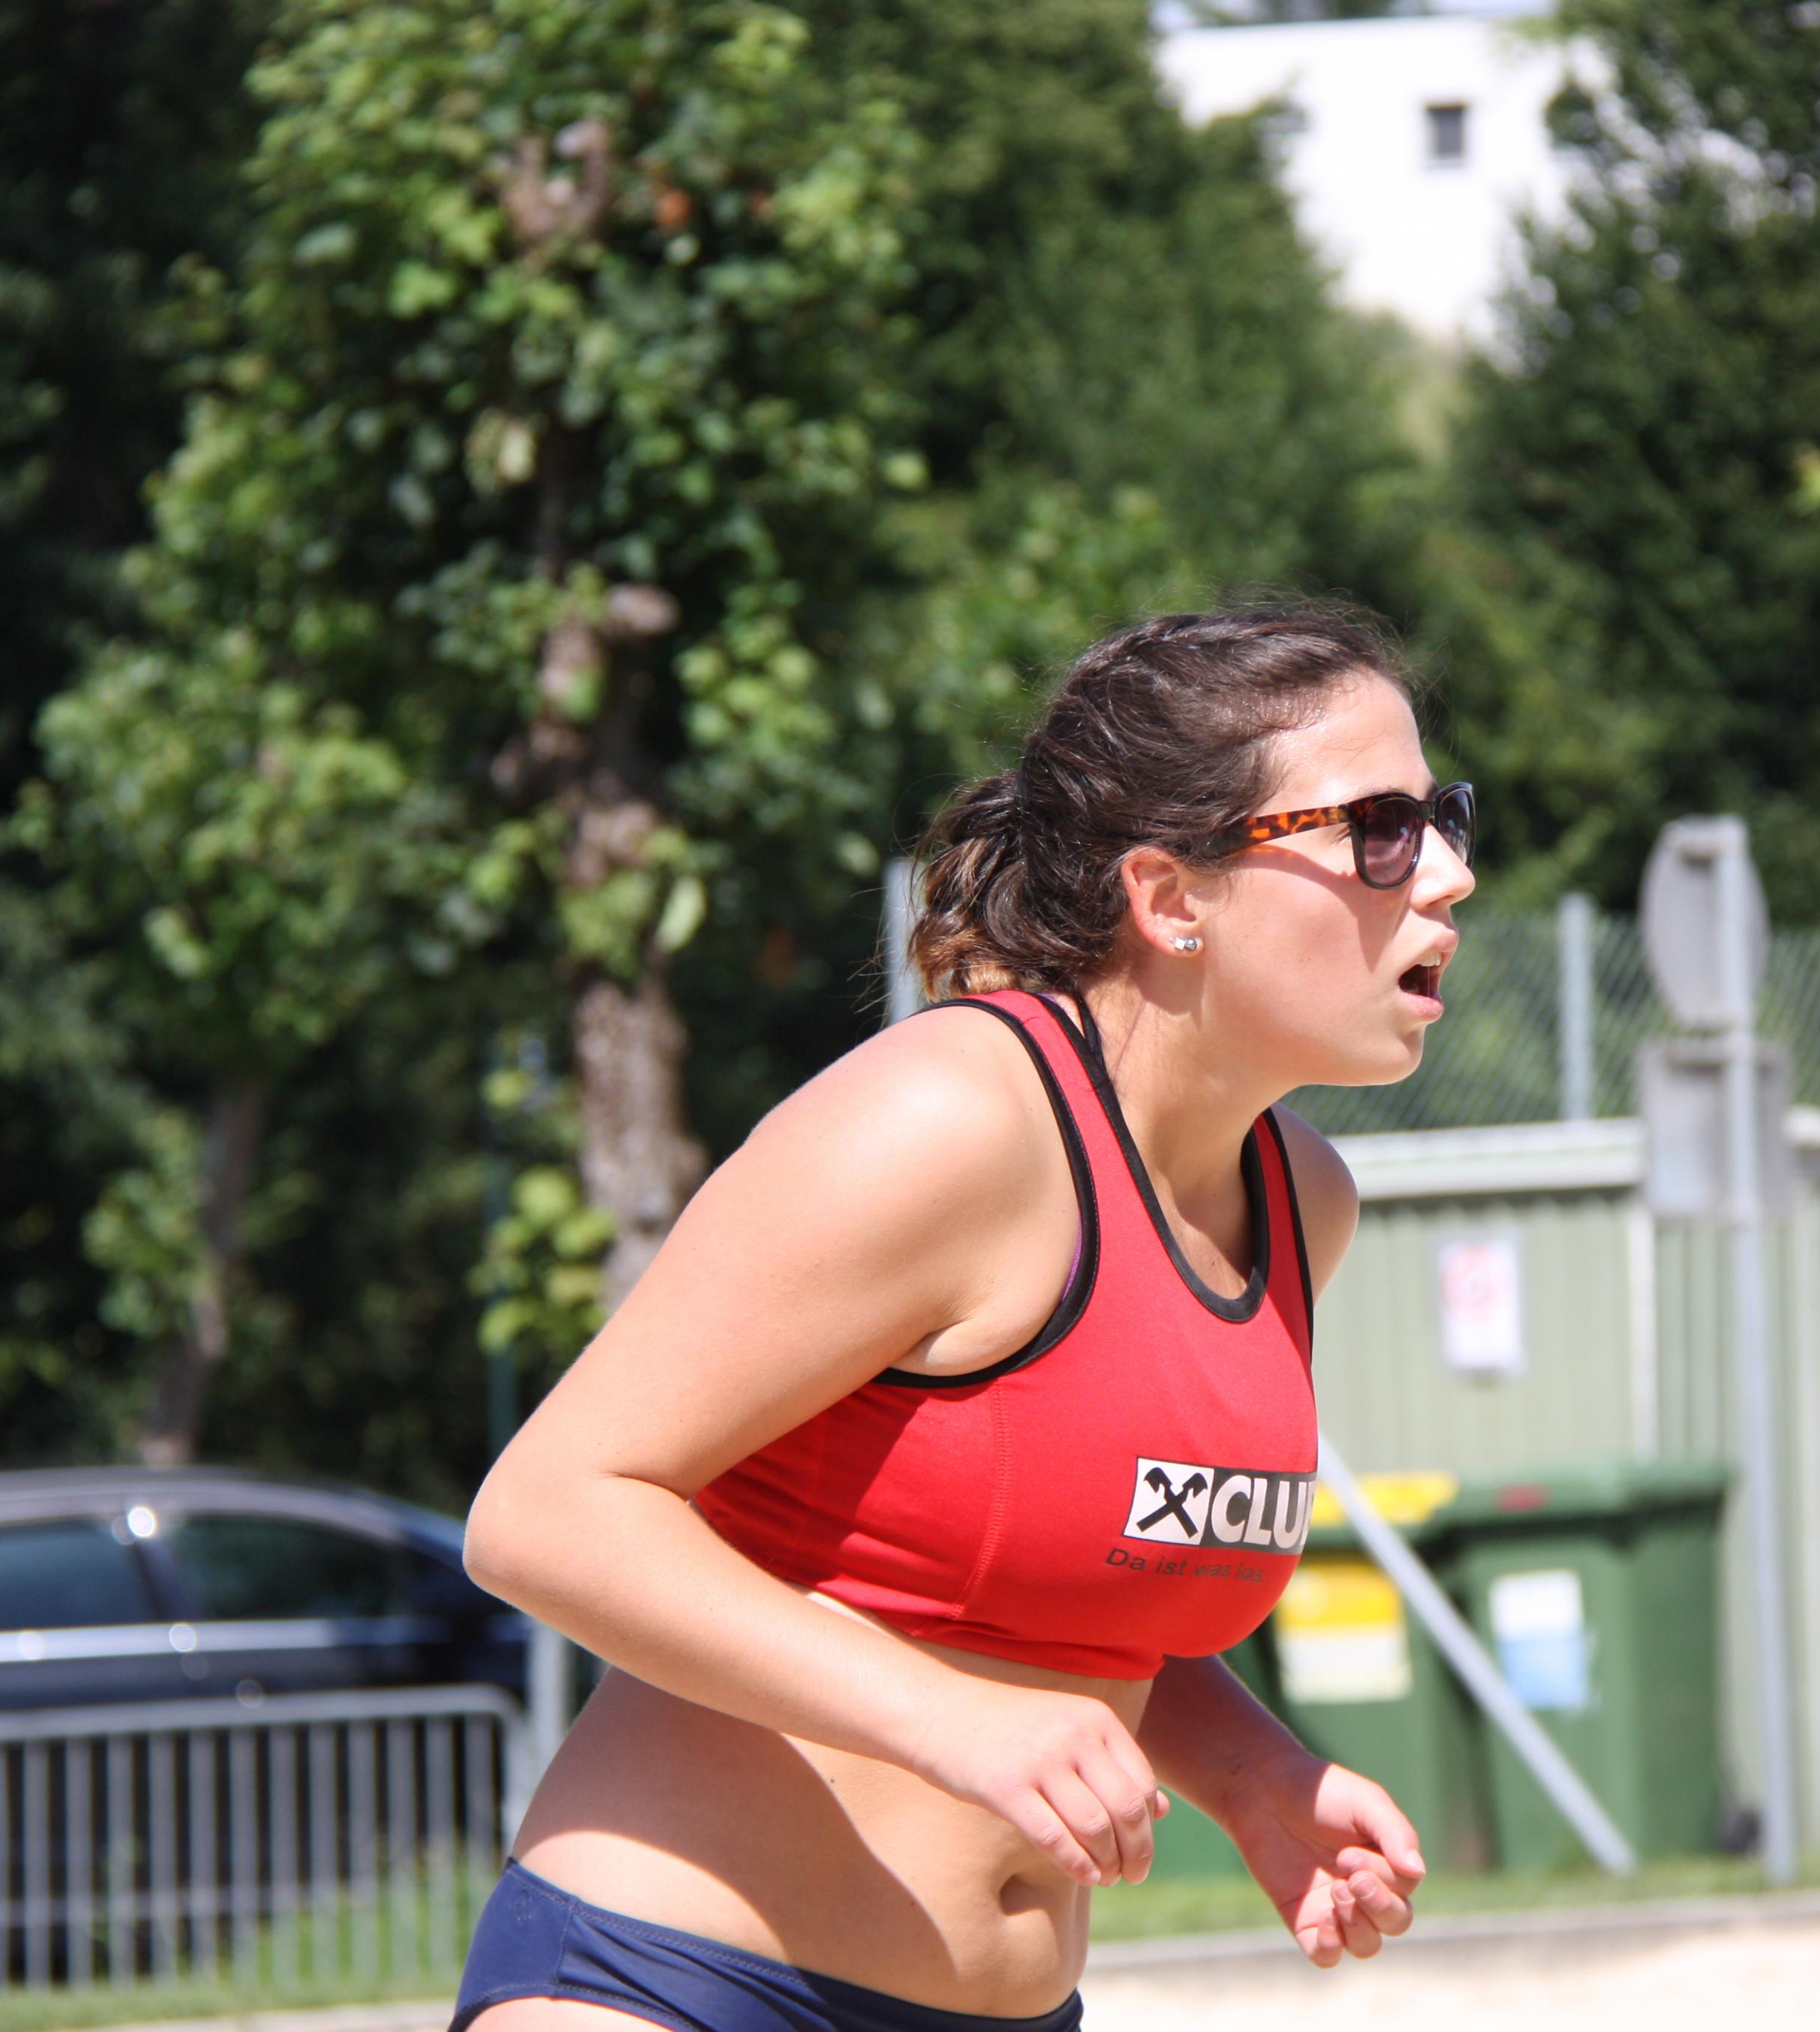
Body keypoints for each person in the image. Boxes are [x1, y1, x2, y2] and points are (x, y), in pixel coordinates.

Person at [458, 610, 1475, 2032]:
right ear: (1169, 897)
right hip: (673, 1976)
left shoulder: (1303, 1202)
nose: (1448, 873)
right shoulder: (953, 1121)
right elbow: (545, 1514)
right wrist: (943, 1721)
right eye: (1379, 828)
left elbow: (1065, 1596)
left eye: (1441, 817)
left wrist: (1251, 1773)